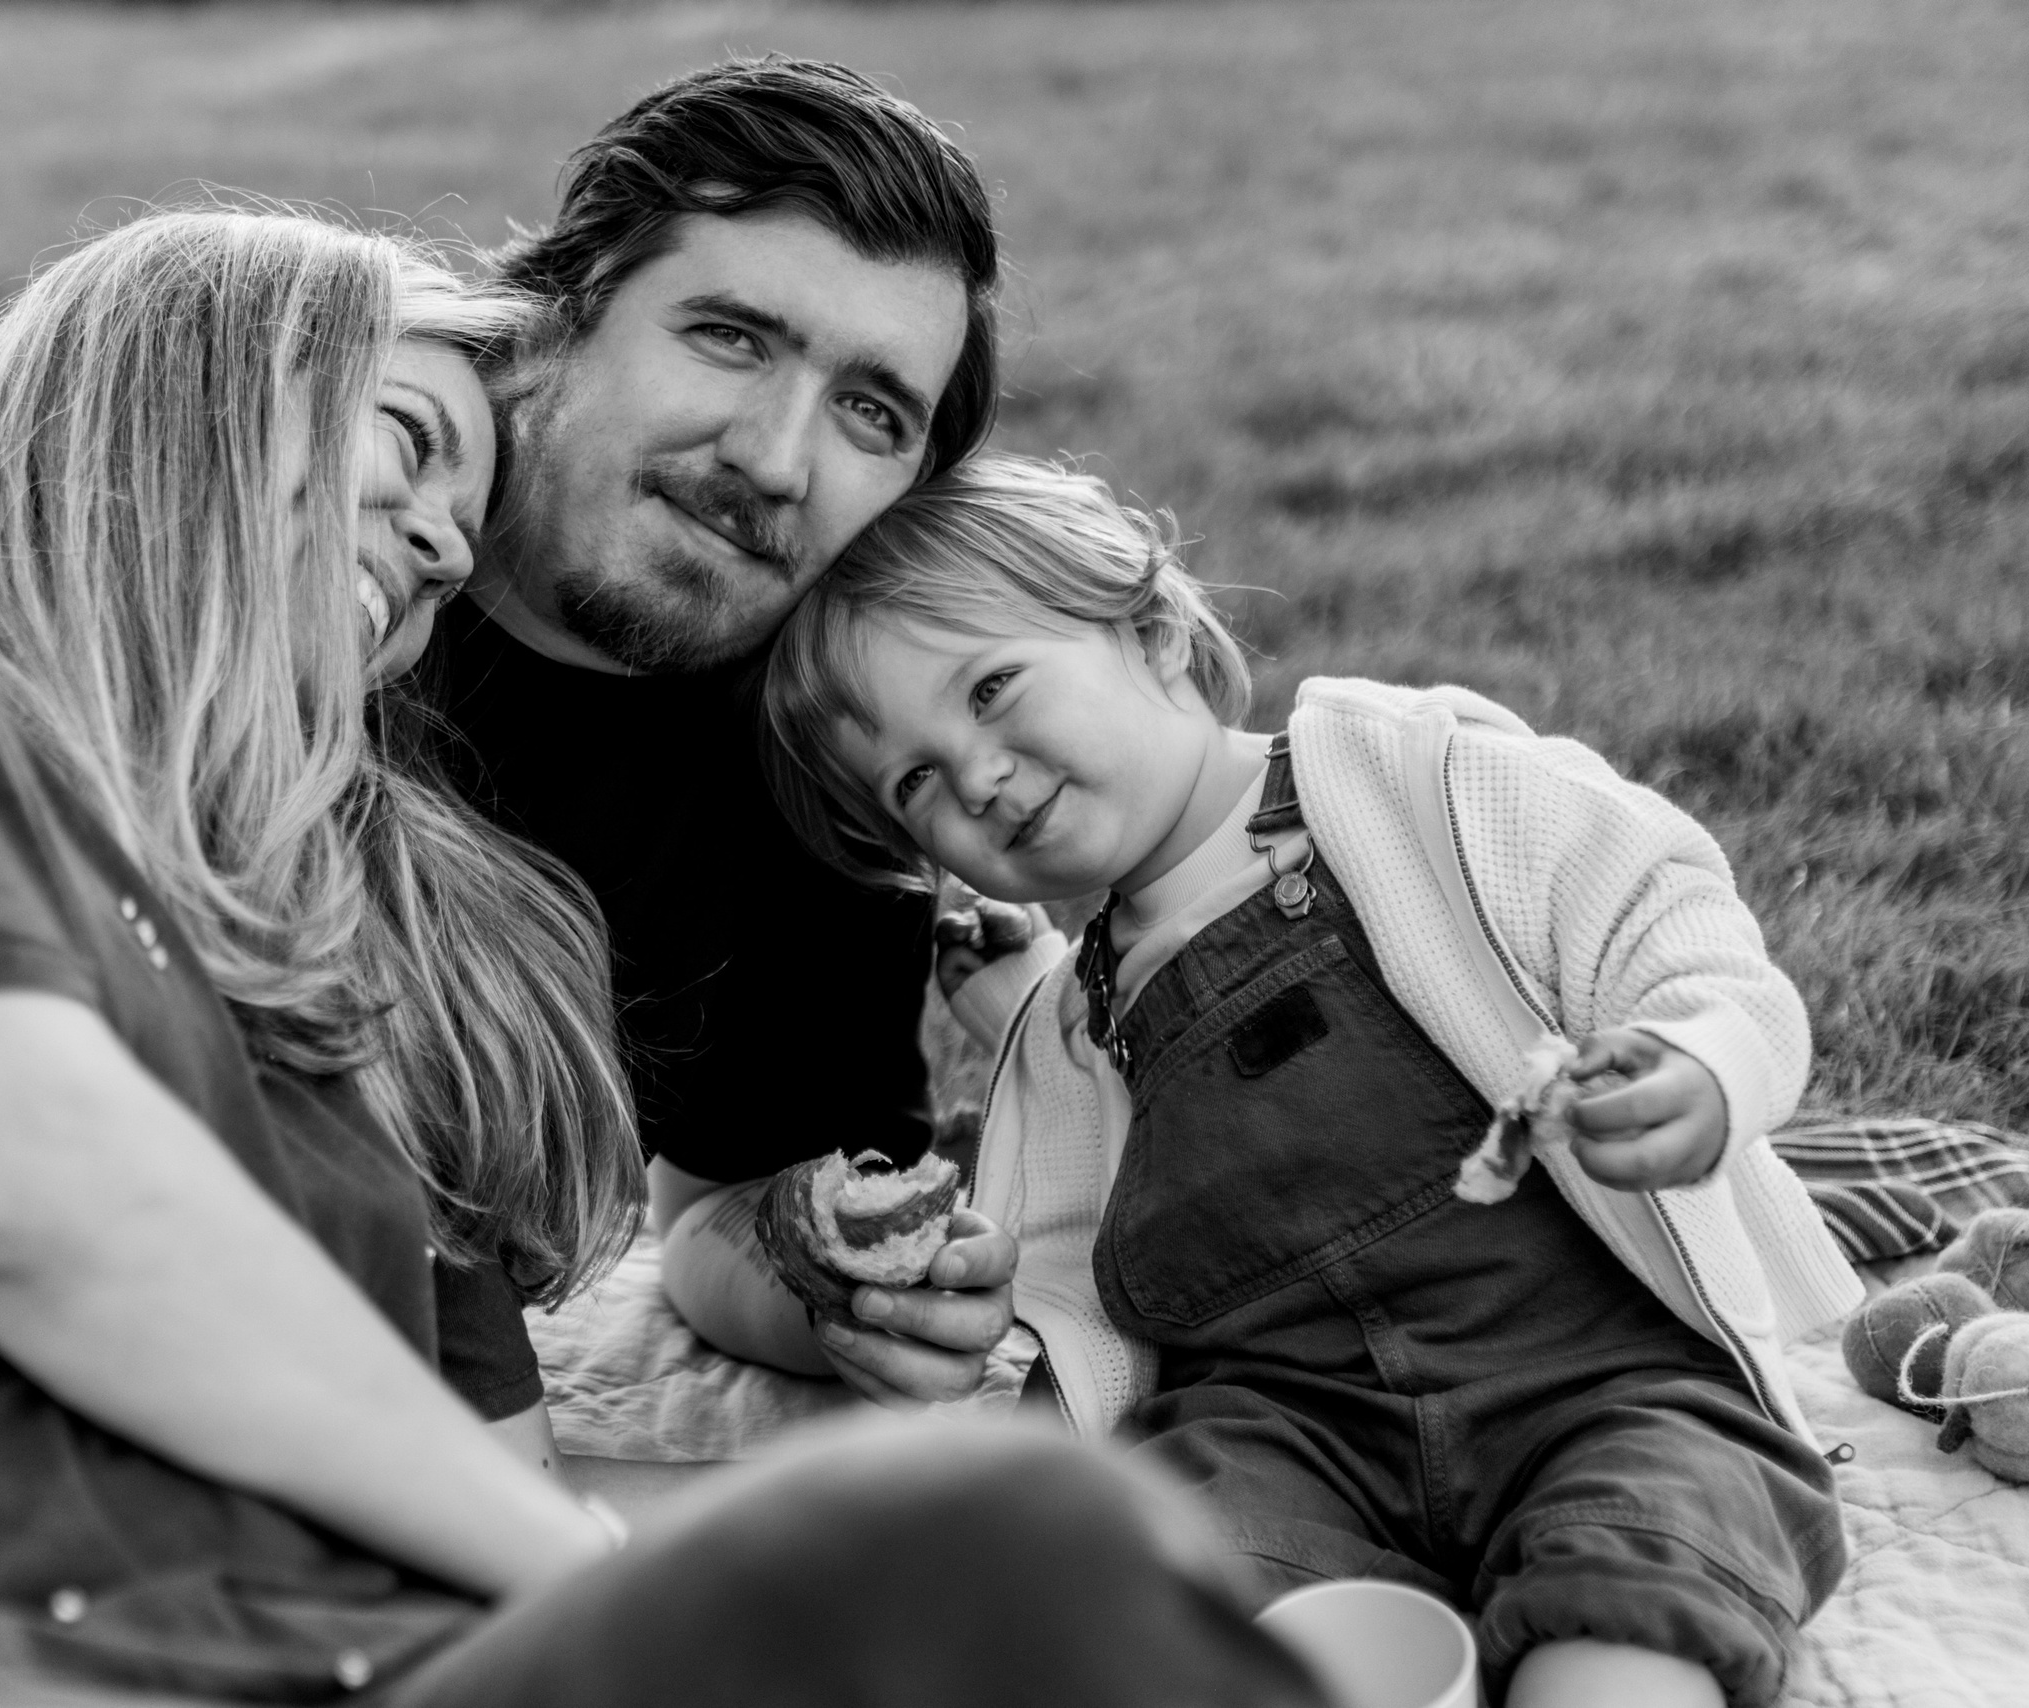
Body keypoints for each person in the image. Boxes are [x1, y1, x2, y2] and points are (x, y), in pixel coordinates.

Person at [0, 215, 1322, 1707]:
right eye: (412, 444)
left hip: (315, 1654)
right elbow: (28, 1204)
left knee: (1025, 1552)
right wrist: (610, 1578)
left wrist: (832, 1556)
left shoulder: (342, 980)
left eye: (451, 537)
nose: (439, 541)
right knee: (1013, 1539)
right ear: (184, 382)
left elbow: (499, 1481)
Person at [0, 56, 1028, 1409]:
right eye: (732, 337)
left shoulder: (822, 776)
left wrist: (837, 1284)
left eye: (871, 412)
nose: (776, 456)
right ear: (559, 312)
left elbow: (718, 1214)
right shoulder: (273, 494)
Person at [758, 453, 1863, 1708]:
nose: (977, 775)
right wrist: (978, 1305)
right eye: (915, 781)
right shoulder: (1078, 1020)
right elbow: (1076, 1251)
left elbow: (1667, 920)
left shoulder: (1416, 776)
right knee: (1131, 1589)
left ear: (1151, 629)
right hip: (1289, 1426)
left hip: (1601, 1379)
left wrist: (1701, 1058)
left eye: (993, 687)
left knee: (1636, 1591)